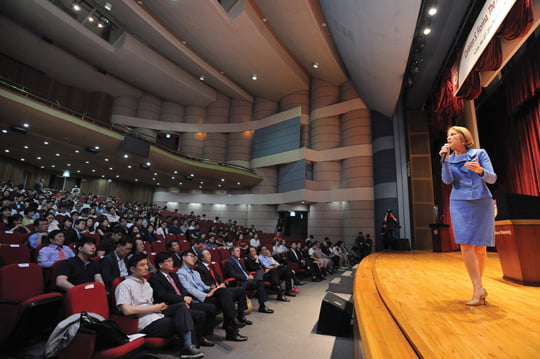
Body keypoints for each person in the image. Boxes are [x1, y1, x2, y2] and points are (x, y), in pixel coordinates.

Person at [439, 126, 497, 306]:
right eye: (448, 135)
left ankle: (479, 289)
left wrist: (480, 171)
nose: (449, 137)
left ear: (464, 138)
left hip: (482, 201)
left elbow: (492, 178)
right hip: (460, 203)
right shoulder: (448, 158)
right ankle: (478, 288)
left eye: (453, 134)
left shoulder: (480, 153)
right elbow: (447, 181)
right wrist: (445, 161)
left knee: (480, 247)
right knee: (465, 244)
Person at [115, 254, 204, 358]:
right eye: (142, 265)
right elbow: (126, 310)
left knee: (181, 307)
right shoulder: (125, 285)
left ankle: (188, 346)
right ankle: (187, 347)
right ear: (132, 269)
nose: (146, 268)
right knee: (182, 319)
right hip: (142, 322)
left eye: (146, 264)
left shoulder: (146, 283)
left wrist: (158, 307)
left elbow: (151, 304)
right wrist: (153, 308)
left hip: (155, 315)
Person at [149, 252, 217, 348]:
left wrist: (186, 298)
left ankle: (203, 335)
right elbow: (163, 295)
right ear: (160, 265)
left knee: (211, 307)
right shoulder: (155, 278)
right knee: (200, 314)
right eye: (168, 261)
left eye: (172, 260)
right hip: (172, 305)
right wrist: (182, 299)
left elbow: (182, 289)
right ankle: (196, 342)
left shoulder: (173, 275)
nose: (172, 263)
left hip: (183, 301)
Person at [178, 250, 248, 342]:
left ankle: (231, 328)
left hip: (207, 293)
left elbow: (203, 285)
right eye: (191, 256)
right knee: (225, 296)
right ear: (183, 257)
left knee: (226, 293)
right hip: (199, 298)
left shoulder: (195, 273)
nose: (193, 259)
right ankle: (231, 329)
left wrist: (211, 288)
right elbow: (189, 289)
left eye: (194, 257)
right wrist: (206, 295)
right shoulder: (180, 273)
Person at [195, 249, 251, 326]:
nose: (210, 256)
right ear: (202, 258)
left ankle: (240, 316)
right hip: (213, 291)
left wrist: (222, 283)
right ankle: (231, 322)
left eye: (209, 254)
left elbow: (218, 277)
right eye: (207, 254)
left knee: (240, 290)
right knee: (228, 296)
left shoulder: (211, 265)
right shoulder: (199, 268)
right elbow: (203, 282)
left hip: (220, 288)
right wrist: (216, 286)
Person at [224, 246, 273, 314]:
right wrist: (246, 277)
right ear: (232, 252)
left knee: (259, 276)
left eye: (239, 251)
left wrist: (249, 274)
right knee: (259, 282)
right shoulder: (229, 262)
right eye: (237, 251)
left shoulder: (239, 260)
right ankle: (262, 306)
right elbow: (233, 274)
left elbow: (244, 270)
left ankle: (262, 306)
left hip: (248, 279)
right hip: (242, 281)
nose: (239, 252)